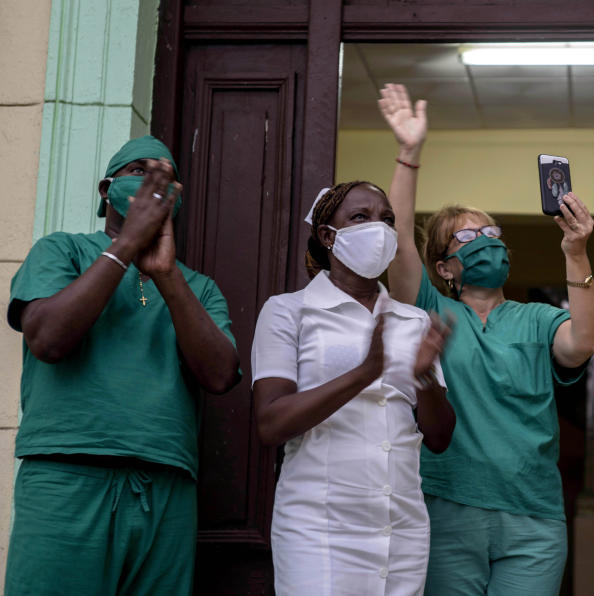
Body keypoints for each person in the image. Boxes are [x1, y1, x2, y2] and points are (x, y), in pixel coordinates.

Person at [378, 83, 594, 595]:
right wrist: (408, 154)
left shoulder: (537, 318)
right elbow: (395, 250)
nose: (486, 242)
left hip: (534, 521)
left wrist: (576, 251)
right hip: (447, 511)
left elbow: (585, 340)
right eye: (468, 237)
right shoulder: (432, 310)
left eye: (492, 233)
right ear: (444, 267)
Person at [4, 135, 242, 595]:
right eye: (139, 171)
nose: (154, 185)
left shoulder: (200, 287)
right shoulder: (62, 251)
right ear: (105, 189)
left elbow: (219, 375)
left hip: (165, 484)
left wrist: (167, 275)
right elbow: (47, 338)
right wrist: (125, 246)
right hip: (67, 476)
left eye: (167, 179)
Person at [251, 180, 456, 595]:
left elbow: (439, 437)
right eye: (360, 217)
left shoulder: (412, 321)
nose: (377, 228)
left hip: (399, 526)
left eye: (387, 219)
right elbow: (271, 423)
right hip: (319, 527)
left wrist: (424, 379)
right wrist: (364, 374)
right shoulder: (288, 311)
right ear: (328, 236)